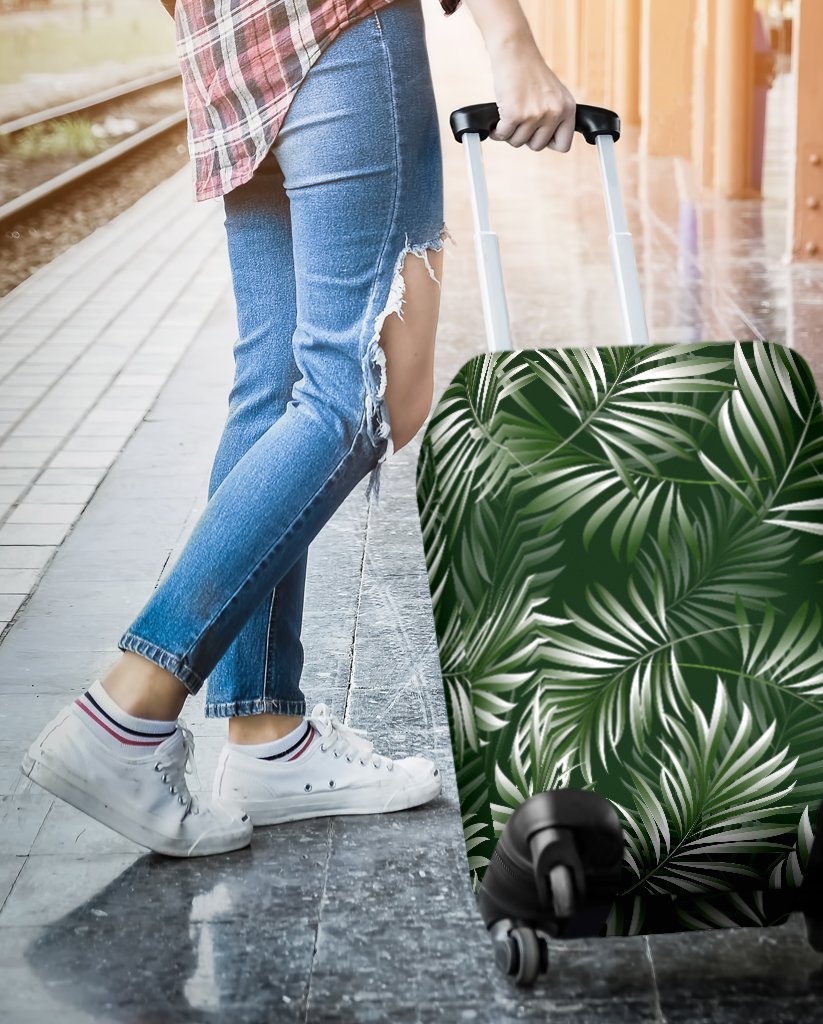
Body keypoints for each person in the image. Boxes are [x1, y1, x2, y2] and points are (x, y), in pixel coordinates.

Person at [21, 0, 576, 857]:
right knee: (361, 391)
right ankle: (127, 711)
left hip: (228, 51)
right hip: (342, 28)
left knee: (276, 385)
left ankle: (265, 735)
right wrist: (512, 43)